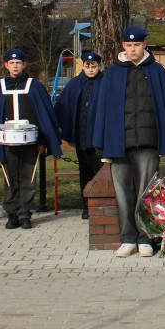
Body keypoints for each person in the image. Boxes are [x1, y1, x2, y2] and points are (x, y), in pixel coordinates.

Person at [91, 27, 165, 258]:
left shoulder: (156, 72)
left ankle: (145, 238)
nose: (132, 48)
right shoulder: (113, 74)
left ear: (144, 45)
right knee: (123, 193)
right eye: (128, 45)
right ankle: (127, 239)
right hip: (119, 143)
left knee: (147, 193)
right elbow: (102, 111)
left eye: (136, 45)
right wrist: (102, 142)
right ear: (123, 46)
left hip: (148, 142)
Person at [0, 49, 62, 229]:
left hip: (31, 142)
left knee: (28, 177)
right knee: (10, 178)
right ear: (6, 65)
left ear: (24, 65)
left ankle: (25, 214)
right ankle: (12, 214)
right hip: (7, 143)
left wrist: (42, 141)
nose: (15, 66)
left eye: (18, 63)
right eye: (11, 63)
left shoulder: (34, 86)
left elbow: (43, 114)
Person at [54, 51, 105, 219]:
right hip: (81, 138)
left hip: (99, 140)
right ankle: (87, 206)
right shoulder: (75, 84)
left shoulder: (105, 83)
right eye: (87, 66)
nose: (91, 69)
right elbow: (64, 108)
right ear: (82, 66)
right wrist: (70, 135)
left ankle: (101, 204)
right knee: (85, 172)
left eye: (94, 66)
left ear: (99, 66)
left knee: (101, 172)